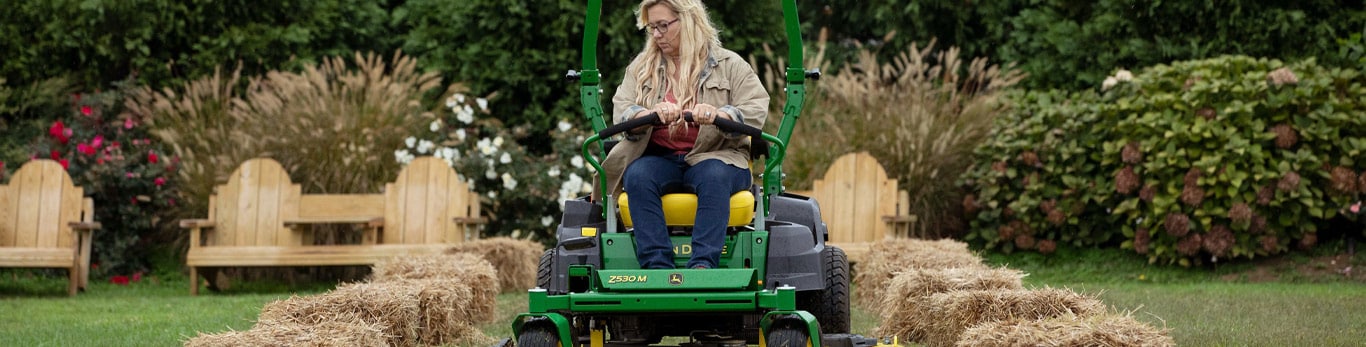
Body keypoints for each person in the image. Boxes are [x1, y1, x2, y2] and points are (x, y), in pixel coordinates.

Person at [601, 0, 769, 270]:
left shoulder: (730, 65)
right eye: (652, 27)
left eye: (663, 26)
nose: (656, 35)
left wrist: (720, 115)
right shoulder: (641, 68)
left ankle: (702, 265)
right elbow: (622, 111)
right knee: (638, 176)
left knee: (713, 175)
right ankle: (657, 266)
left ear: (688, 21)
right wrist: (648, 115)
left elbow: (755, 108)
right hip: (660, 157)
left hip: (718, 156)